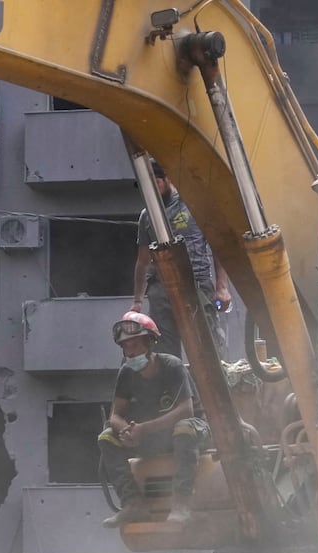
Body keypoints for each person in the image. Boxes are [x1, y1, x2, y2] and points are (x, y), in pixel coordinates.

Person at [99, 311, 210, 526]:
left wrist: (144, 429)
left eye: (134, 344)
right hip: (149, 437)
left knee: (184, 428)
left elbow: (186, 410)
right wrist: (126, 431)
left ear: (150, 342)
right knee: (106, 437)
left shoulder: (172, 366)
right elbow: (116, 414)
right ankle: (133, 504)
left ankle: (181, 504)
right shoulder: (126, 374)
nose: (129, 351)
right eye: (125, 346)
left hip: (190, 433)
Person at [130, 163, 232, 361]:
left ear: (168, 178)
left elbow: (218, 248)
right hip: (162, 289)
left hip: (197, 284)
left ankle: (214, 390)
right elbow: (142, 262)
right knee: (164, 353)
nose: (151, 190)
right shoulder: (146, 216)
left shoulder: (194, 205)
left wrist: (222, 287)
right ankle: (174, 392)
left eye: (155, 183)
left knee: (207, 349)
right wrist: (137, 301)